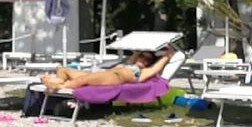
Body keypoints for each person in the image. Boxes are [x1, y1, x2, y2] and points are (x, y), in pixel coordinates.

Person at [41, 49, 173, 92]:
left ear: (149, 63)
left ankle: (57, 86)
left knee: (84, 79)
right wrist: (138, 52)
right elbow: (135, 53)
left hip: (115, 78)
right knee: (62, 69)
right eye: (142, 56)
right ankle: (57, 81)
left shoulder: (144, 71)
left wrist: (168, 55)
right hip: (104, 74)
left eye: (147, 59)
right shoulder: (130, 64)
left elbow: (157, 67)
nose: (143, 59)